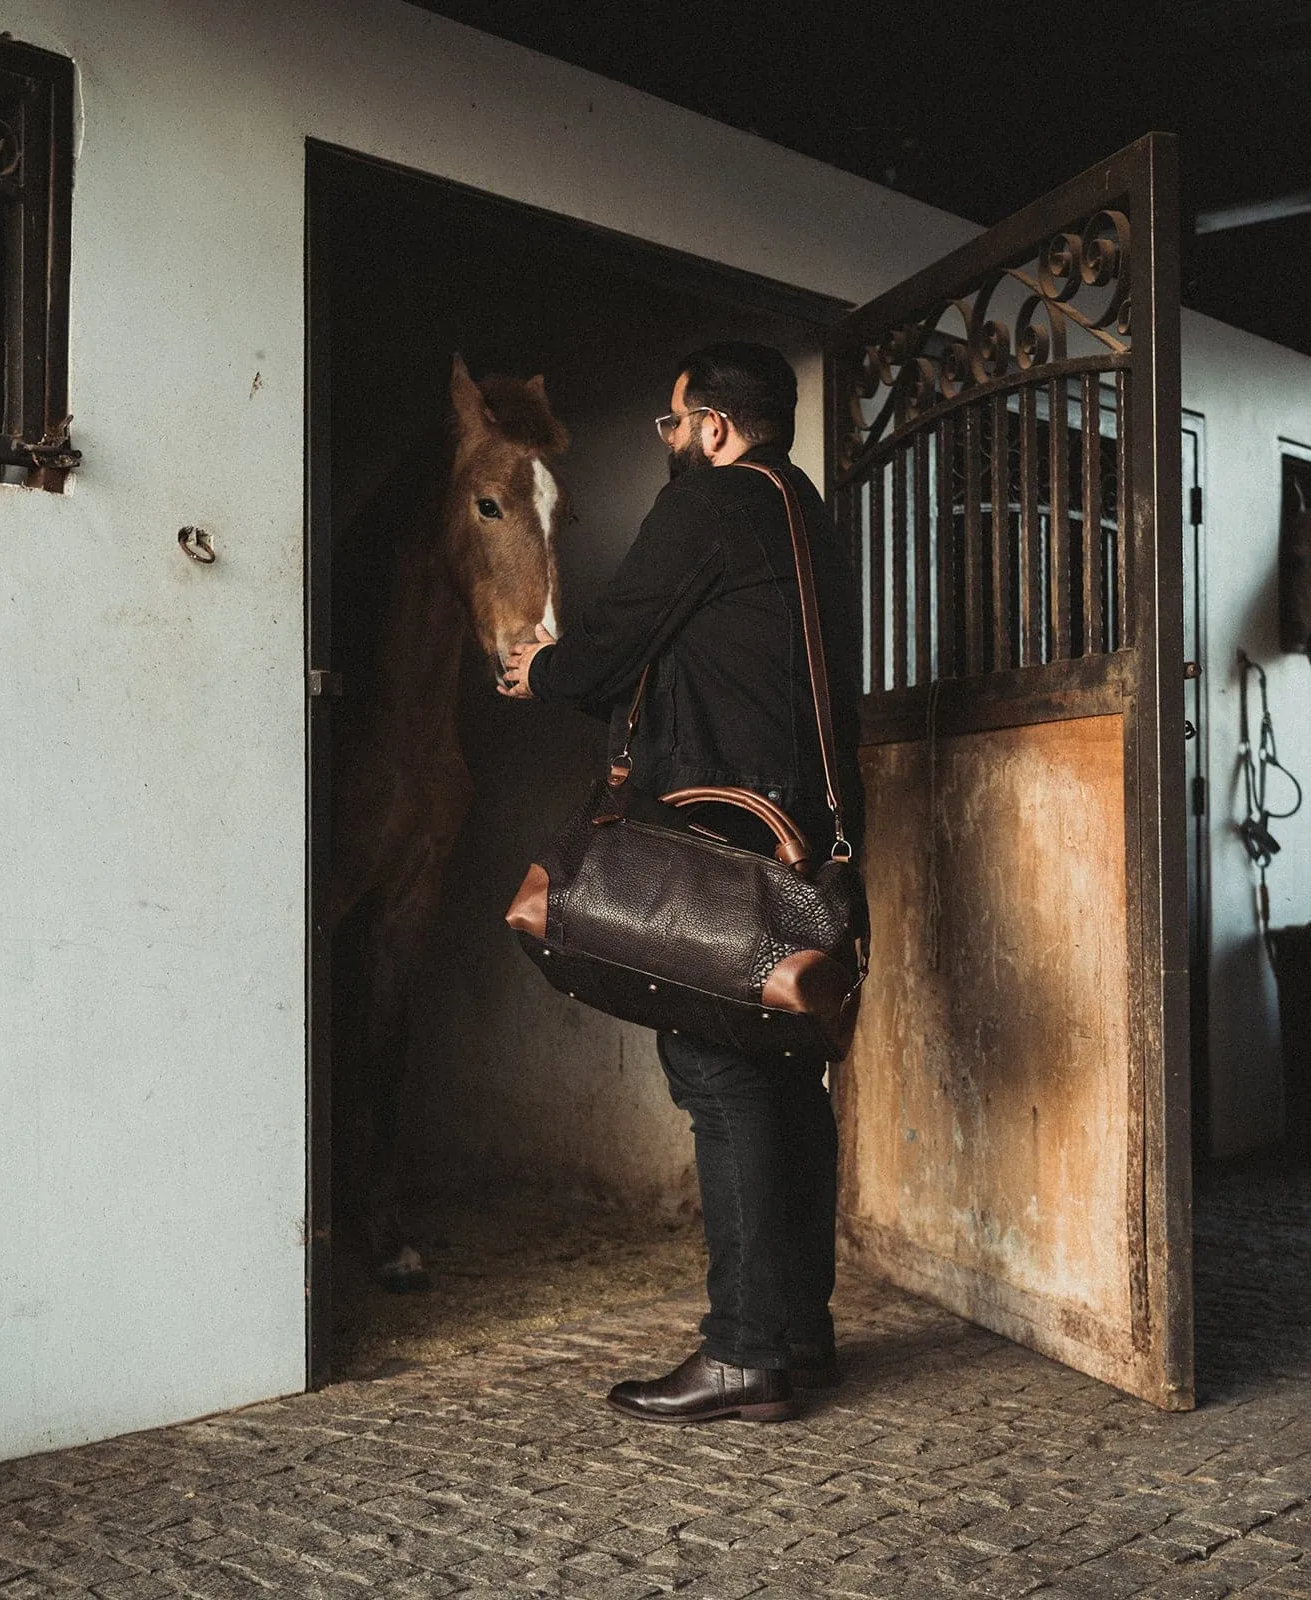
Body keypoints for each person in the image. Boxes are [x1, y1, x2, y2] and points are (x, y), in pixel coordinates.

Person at [497, 342, 865, 1424]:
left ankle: (747, 1351)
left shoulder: (708, 506)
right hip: (804, 845)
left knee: (720, 1079)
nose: (668, 444)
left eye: (671, 426)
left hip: (715, 838)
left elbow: (614, 648)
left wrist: (542, 670)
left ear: (710, 426)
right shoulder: (808, 516)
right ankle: (799, 1333)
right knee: (791, 1079)